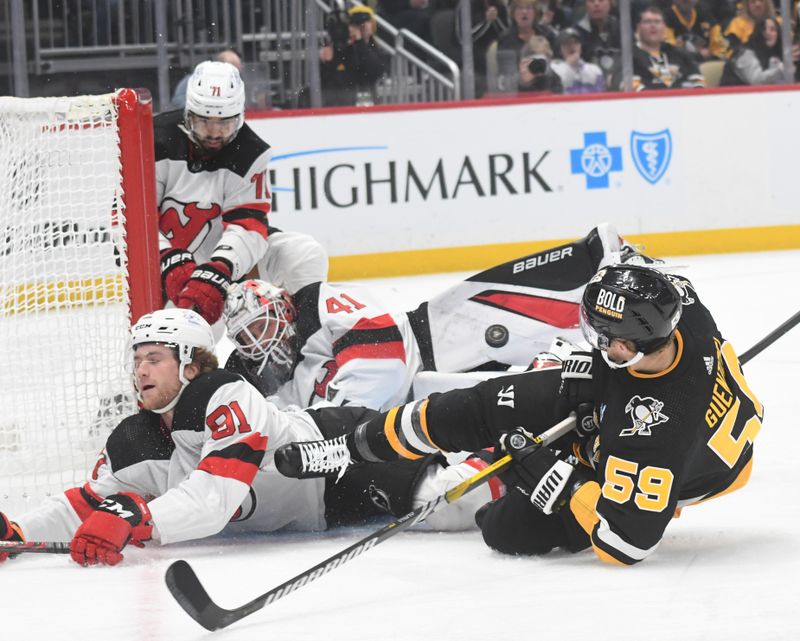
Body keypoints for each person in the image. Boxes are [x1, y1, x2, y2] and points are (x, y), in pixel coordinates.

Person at [276, 262, 764, 566]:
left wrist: (557, 477)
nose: (591, 343)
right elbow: (638, 268)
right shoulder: (680, 309)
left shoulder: (654, 437)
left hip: (683, 469)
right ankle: (350, 446)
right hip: (632, 391)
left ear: (631, 344)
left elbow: (626, 543)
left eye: (601, 338)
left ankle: (510, 469)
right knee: (486, 404)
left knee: (504, 529)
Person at [0, 309, 503, 566]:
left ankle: (506, 447)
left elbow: (216, 497)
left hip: (333, 458)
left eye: (154, 358)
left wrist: (141, 518)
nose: (140, 371)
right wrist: (18, 532)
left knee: (455, 505)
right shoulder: (134, 438)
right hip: (313, 510)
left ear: (191, 364)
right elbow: (81, 504)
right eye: (136, 360)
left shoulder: (225, 395)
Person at [222, 224, 629, 411]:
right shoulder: (272, 387)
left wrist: (338, 418)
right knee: (536, 389)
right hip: (421, 406)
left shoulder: (316, 303)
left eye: (262, 323)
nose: (258, 339)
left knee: (533, 300)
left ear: (283, 306)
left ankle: (618, 275)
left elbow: (381, 363)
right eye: (247, 334)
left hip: (432, 340)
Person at [156, 60, 326, 328]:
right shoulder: (154, 142)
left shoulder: (250, 152)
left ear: (239, 116)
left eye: (224, 123)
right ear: (188, 114)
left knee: (303, 254)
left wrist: (220, 268)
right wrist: (167, 260)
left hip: (227, 266)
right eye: (204, 122)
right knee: (181, 342)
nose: (214, 133)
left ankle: (308, 341)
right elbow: (131, 220)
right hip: (167, 275)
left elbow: (248, 225)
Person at [614, 5, 705, 90]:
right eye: (647, 22)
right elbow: (629, 86)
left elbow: (698, 81)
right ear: (638, 28)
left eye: (657, 22)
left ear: (664, 28)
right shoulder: (628, 57)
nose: (653, 26)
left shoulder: (680, 54)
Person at [319, 5, 389, 107]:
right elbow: (334, 81)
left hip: (368, 103)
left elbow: (375, 71)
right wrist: (328, 63)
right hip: (342, 104)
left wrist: (360, 41)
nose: (363, 26)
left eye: (367, 21)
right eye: (357, 23)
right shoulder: (341, 48)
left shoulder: (375, 48)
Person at [720, 17, 799, 85]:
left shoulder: (776, 54)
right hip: (733, 97)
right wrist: (783, 67)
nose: (768, 33)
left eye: (773, 29)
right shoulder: (745, 53)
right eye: (763, 29)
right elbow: (756, 81)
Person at [170, 49, 243, 111]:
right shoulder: (195, 79)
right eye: (234, 72)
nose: (236, 77)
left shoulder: (235, 85)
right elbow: (177, 100)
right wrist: (199, 107)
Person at [572, 0, 621, 86]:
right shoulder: (576, 33)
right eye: (591, 1)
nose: (596, 4)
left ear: (610, 3)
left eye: (601, 0)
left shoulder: (620, 28)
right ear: (585, 5)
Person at [664, 0, 729, 62]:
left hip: (706, 61)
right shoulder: (666, 16)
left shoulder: (703, 12)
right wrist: (697, 55)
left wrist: (713, 52)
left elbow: (717, 38)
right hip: (680, 63)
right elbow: (669, 47)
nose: (686, 0)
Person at [550, 27, 607, 93]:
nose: (572, 46)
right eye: (567, 43)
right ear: (560, 49)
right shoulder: (554, 69)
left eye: (576, 43)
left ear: (581, 46)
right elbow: (556, 92)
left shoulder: (594, 69)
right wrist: (568, 65)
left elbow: (601, 94)